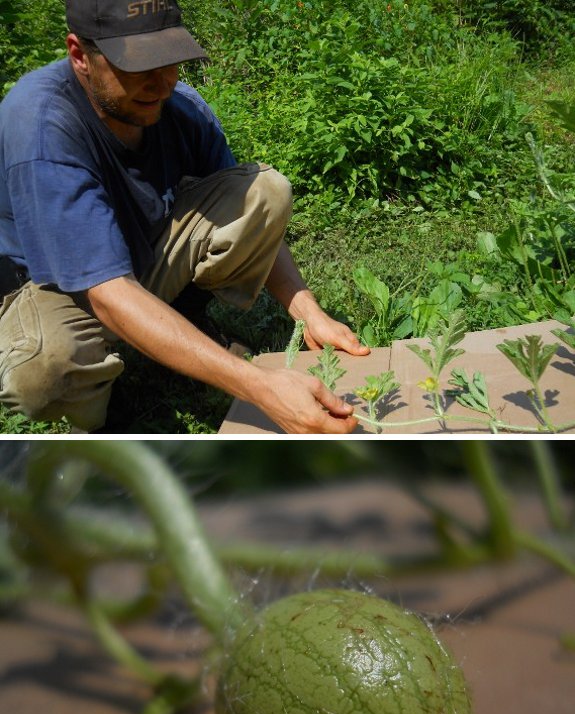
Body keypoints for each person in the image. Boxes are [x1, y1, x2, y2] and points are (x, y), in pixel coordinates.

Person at [0, 0, 370, 434]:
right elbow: (105, 292)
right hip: (57, 288)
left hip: (137, 259)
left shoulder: (181, 108)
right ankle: (100, 427)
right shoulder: (43, 124)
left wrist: (308, 310)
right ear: (80, 56)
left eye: (170, 61)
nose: (161, 85)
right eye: (138, 67)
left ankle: (183, 327)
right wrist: (259, 386)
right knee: (44, 371)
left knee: (264, 191)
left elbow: (247, 208)